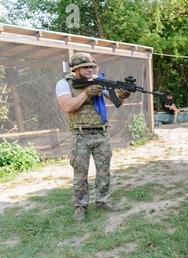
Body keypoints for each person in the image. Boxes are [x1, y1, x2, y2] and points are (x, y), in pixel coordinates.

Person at [55, 52, 131, 221]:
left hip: (101, 133)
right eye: (86, 67)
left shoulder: (98, 81)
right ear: (76, 69)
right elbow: (68, 106)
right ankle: (80, 206)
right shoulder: (64, 83)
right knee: (80, 174)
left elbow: (116, 101)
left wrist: (123, 94)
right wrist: (86, 93)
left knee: (104, 171)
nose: (90, 70)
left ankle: (103, 201)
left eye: (92, 67)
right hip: (80, 135)